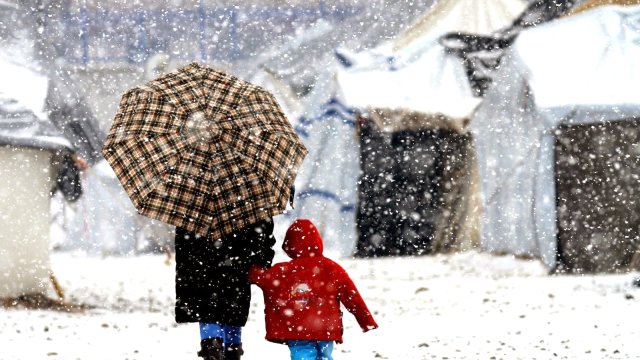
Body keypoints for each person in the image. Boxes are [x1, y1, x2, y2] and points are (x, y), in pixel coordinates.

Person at [249, 218, 378, 360]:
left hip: (297, 331)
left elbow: (258, 277)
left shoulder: (283, 271)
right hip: (326, 329)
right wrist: (366, 321)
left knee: (302, 354)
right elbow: (351, 296)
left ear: (290, 245)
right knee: (325, 355)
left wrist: (247, 265)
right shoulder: (332, 268)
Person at [174, 217, 276, 360]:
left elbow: (184, 242)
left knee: (208, 312)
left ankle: (213, 350)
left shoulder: (194, 201)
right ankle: (231, 350)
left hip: (202, 267)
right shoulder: (247, 200)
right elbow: (262, 230)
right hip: (236, 265)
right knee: (232, 312)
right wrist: (262, 259)